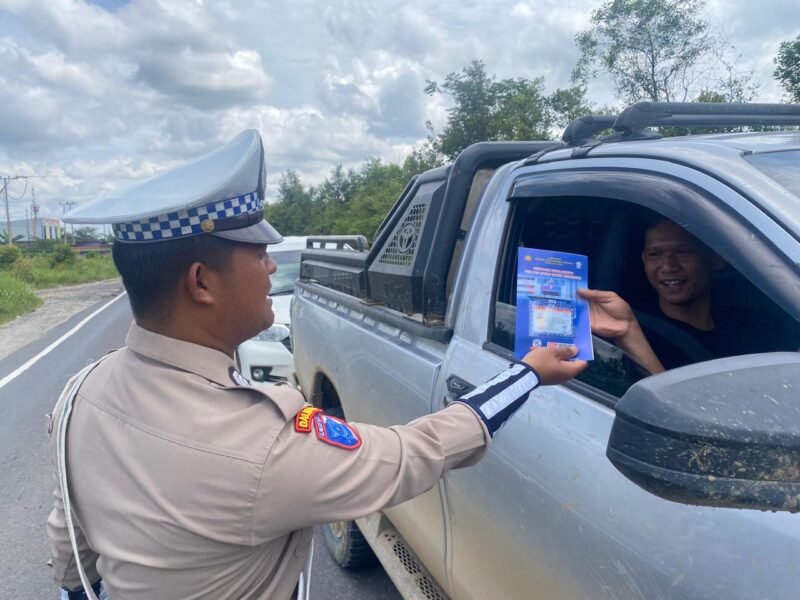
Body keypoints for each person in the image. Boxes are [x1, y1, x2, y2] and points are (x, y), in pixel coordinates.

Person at [47, 130, 587, 600]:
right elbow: (410, 454)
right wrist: (528, 373)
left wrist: (77, 588)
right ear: (201, 283)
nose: (269, 268)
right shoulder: (256, 446)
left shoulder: (80, 394)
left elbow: (69, 533)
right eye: (257, 253)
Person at [580, 217, 774, 372]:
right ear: (644, 262)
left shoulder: (752, 325)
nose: (668, 266)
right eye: (655, 254)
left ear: (716, 260)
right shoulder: (634, 334)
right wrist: (629, 333)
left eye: (683, 252)